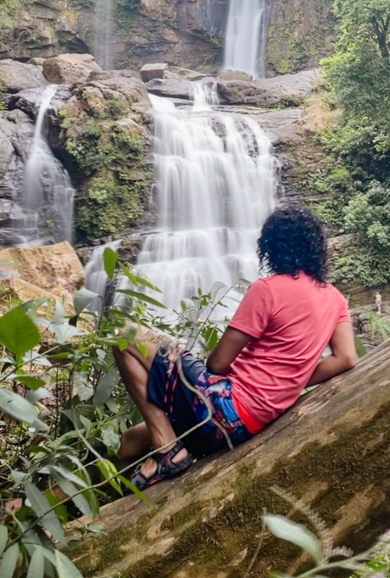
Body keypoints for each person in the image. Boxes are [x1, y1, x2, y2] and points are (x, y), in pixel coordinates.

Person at [114, 206, 356, 489]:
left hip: (227, 409)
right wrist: (293, 379)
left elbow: (217, 365)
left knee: (126, 336)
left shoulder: (267, 290)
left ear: (271, 247)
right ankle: (121, 487)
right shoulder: (335, 298)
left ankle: (168, 450)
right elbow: (346, 358)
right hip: (251, 421)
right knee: (131, 442)